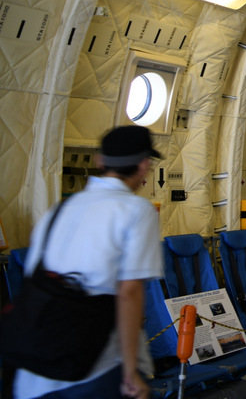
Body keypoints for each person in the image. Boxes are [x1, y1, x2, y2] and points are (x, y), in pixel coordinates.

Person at [13, 125, 164, 399]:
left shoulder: (58, 210)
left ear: (100, 160)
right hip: (95, 367)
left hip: (35, 371)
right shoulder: (136, 211)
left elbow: (32, 277)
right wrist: (130, 371)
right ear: (143, 165)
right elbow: (129, 293)